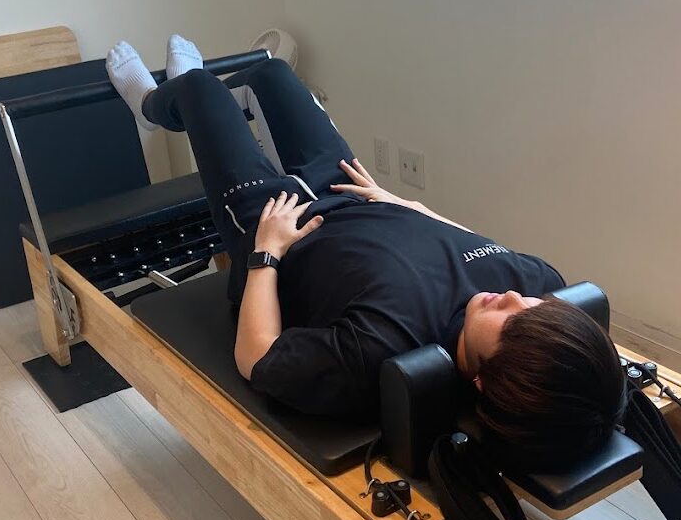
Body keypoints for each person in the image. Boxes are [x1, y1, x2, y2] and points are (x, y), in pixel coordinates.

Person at [107, 36, 626, 468]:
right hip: (356, 193)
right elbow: (472, 242)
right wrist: (410, 206)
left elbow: (258, 359)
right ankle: (191, 103)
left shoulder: (383, 351)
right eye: (532, 310)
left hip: (277, 223)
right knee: (269, 73)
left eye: (511, 325)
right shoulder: (537, 285)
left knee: (199, 88)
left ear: (484, 382)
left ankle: (154, 105)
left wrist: (264, 253)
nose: (512, 298)